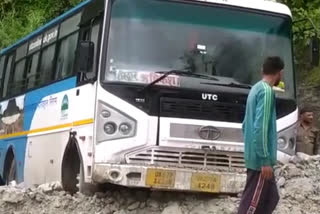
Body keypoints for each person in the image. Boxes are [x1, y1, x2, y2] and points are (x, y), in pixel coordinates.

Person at [237, 56, 284, 214]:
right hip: (261, 162)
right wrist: (264, 159)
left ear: (262, 70)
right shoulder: (266, 91)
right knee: (252, 204)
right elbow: (261, 126)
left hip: (254, 155)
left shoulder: (255, 88)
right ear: (280, 73)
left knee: (271, 199)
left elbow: (245, 125)